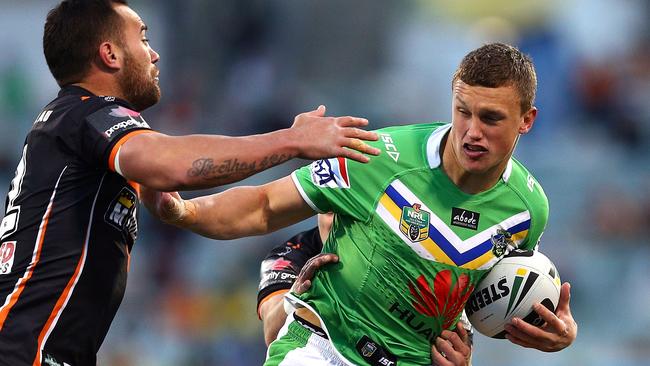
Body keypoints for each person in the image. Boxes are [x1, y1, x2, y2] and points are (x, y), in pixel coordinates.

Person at [146, 43, 578, 365]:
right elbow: (263, 206)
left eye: (491, 118)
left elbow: (488, 297)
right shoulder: (377, 155)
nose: (471, 131)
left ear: (527, 120)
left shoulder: (528, 210)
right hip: (321, 349)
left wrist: (549, 332)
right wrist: (185, 212)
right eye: (463, 111)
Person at [0, 1, 380, 365]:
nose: (155, 55)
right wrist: (293, 140)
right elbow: (174, 165)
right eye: (143, 39)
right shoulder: (86, 114)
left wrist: (181, 211)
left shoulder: (72, 124)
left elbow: (183, 185)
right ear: (110, 55)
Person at [257, 214, 473, 366]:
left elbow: (461, 346)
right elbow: (271, 332)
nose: (340, 220)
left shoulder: (417, 262)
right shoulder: (294, 253)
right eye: (331, 210)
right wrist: (293, 296)